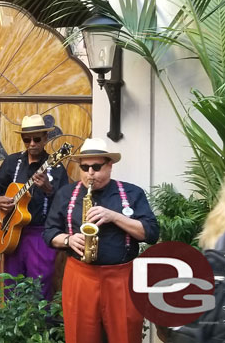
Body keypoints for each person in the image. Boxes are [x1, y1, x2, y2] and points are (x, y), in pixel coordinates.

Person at [43, 137, 159, 343]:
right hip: (80, 275)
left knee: (125, 336)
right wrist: (69, 240)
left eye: (96, 167)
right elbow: (49, 232)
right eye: (84, 167)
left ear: (110, 166)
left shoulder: (132, 192)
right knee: (80, 336)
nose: (90, 173)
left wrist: (115, 216)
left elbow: (150, 233)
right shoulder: (66, 194)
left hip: (122, 277)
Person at [0, 114, 69, 300]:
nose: (31, 143)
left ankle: (39, 327)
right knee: (11, 286)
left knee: (40, 285)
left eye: (37, 139)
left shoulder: (56, 168)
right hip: (11, 233)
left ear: (45, 139)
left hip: (40, 233)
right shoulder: (13, 162)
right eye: (26, 139)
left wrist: (48, 189)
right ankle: (12, 327)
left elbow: (65, 204)